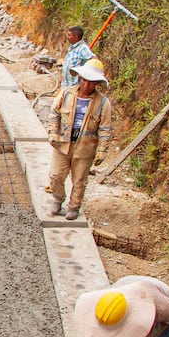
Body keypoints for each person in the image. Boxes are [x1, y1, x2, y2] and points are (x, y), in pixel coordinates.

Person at [48, 62, 112, 220]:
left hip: (85, 147)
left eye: (90, 82)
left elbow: (105, 129)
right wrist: (53, 133)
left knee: (79, 180)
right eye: (83, 80)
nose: (86, 84)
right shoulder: (66, 94)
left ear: (96, 83)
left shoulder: (103, 104)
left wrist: (102, 151)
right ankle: (57, 199)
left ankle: (74, 206)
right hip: (63, 143)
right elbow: (54, 113)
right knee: (56, 175)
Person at [59, 25, 96, 90]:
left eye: (69, 35)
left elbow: (94, 60)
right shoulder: (72, 47)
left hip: (74, 87)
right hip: (66, 86)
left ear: (76, 37)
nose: (67, 37)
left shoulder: (82, 48)